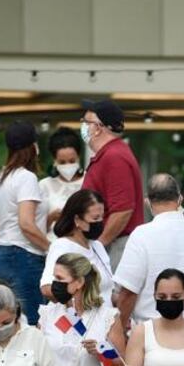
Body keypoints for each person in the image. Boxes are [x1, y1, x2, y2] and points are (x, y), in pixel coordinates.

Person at [115, 173, 184, 326]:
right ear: (180, 199)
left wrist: (121, 328)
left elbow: (128, 291)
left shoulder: (141, 235)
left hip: (150, 334)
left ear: (147, 202)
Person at [0, 121, 49, 320]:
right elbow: (26, 224)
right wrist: (52, 248)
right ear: (33, 147)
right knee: (31, 321)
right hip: (25, 257)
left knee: (6, 320)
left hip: (1, 254)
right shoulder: (27, 178)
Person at [80, 98, 144, 271]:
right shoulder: (110, 155)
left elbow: (123, 211)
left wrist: (99, 245)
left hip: (115, 248)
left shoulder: (114, 157)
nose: (83, 126)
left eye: (86, 122)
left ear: (98, 127)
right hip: (111, 245)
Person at [38, 188, 115, 306]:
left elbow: (108, 289)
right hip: (80, 321)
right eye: (95, 218)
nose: (100, 222)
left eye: (101, 217)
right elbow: (47, 288)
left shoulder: (97, 246)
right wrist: (78, 307)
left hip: (105, 319)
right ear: (77, 220)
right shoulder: (62, 246)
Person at [37, 126, 86, 239]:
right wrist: (51, 218)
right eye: (62, 162)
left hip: (82, 246)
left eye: (72, 161)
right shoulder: (44, 185)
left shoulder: (89, 180)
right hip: (53, 246)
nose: (67, 165)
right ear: (54, 160)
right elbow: (36, 228)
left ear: (79, 157)